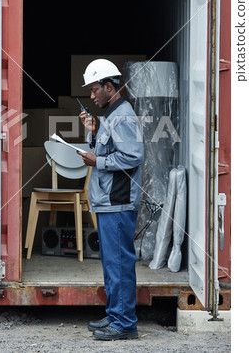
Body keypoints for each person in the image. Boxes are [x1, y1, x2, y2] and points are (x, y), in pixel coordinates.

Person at [78, 59, 144, 341]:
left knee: (119, 264)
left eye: (95, 90)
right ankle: (116, 315)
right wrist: (94, 132)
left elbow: (133, 156)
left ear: (109, 86)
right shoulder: (112, 115)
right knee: (112, 264)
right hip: (109, 202)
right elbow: (114, 149)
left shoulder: (123, 116)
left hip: (118, 202)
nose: (92, 96)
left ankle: (125, 323)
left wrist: (98, 161)